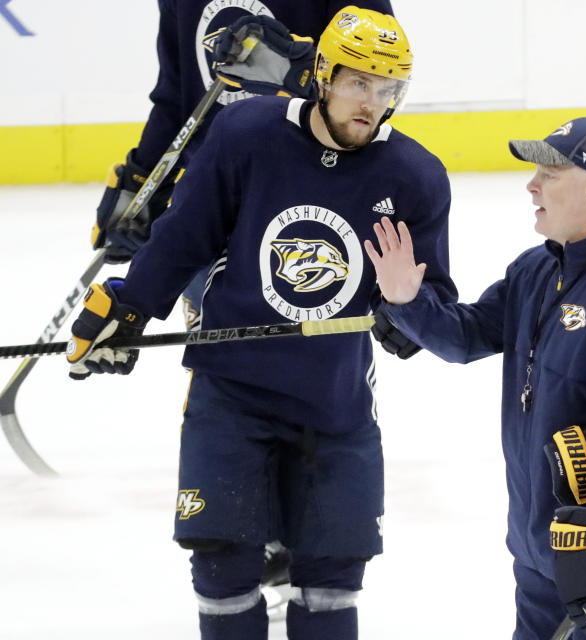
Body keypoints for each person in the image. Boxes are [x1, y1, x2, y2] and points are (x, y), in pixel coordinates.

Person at [66, 7, 456, 640]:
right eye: (359, 83)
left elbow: (430, 304)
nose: (372, 104)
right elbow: (185, 237)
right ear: (323, 75)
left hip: (334, 407)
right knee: (222, 567)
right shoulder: (246, 134)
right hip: (232, 397)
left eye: (389, 90)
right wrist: (128, 306)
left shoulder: (414, 178)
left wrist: (405, 309)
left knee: (332, 581)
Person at [364, 118, 586, 639]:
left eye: (550, 174)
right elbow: (465, 337)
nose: (531, 185)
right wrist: (406, 303)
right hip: (539, 549)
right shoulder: (535, 271)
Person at [91, 0, 392, 329]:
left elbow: (381, 84)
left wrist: (295, 71)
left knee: (302, 371)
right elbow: (176, 93)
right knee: (215, 365)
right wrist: (141, 178)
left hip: (306, 204)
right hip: (206, 199)